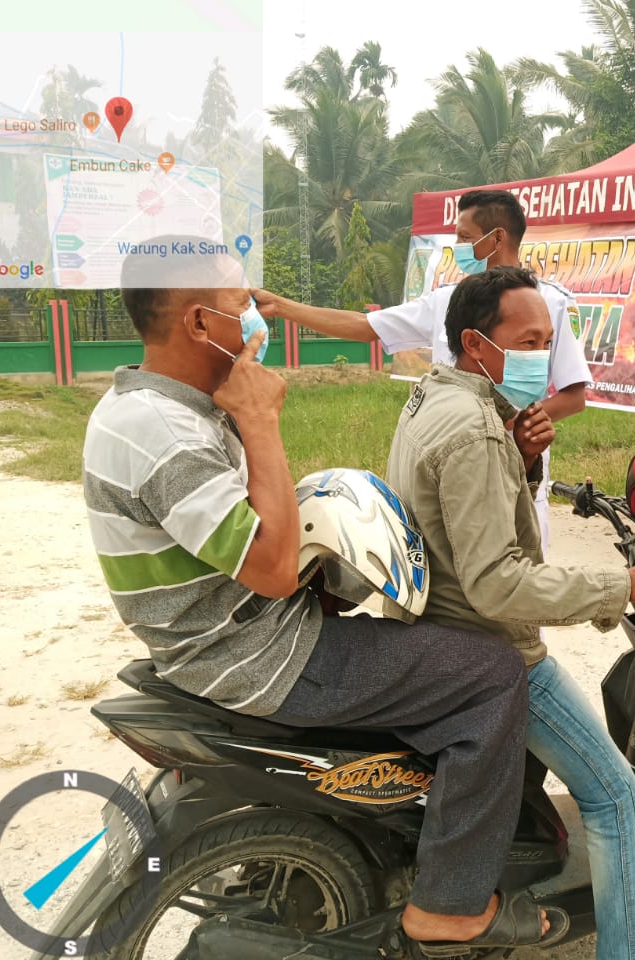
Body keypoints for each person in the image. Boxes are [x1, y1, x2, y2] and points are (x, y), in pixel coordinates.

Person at [82, 239, 563, 956]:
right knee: (490, 674)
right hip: (258, 656)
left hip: (230, 636)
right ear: (195, 323)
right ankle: (449, 906)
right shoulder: (164, 432)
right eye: (241, 304)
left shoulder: (160, 409)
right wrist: (262, 420)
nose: (254, 318)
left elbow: (251, 537)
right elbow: (273, 569)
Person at [385, 265, 635, 960]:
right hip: (493, 645)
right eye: (527, 340)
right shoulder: (474, 429)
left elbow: (456, 516)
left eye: (548, 341)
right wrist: (622, 586)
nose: (542, 357)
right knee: (615, 800)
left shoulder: (434, 398)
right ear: (475, 343)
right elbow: (498, 583)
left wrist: (518, 462)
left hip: (436, 629)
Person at [251, 188, 590, 552]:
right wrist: (283, 307)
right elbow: (367, 326)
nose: (456, 247)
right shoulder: (448, 301)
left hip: (518, 467)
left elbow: (574, 394)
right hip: (450, 468)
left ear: (497, 239)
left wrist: (516, 425)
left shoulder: (550, 303)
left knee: (517, 566)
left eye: (464, 237)